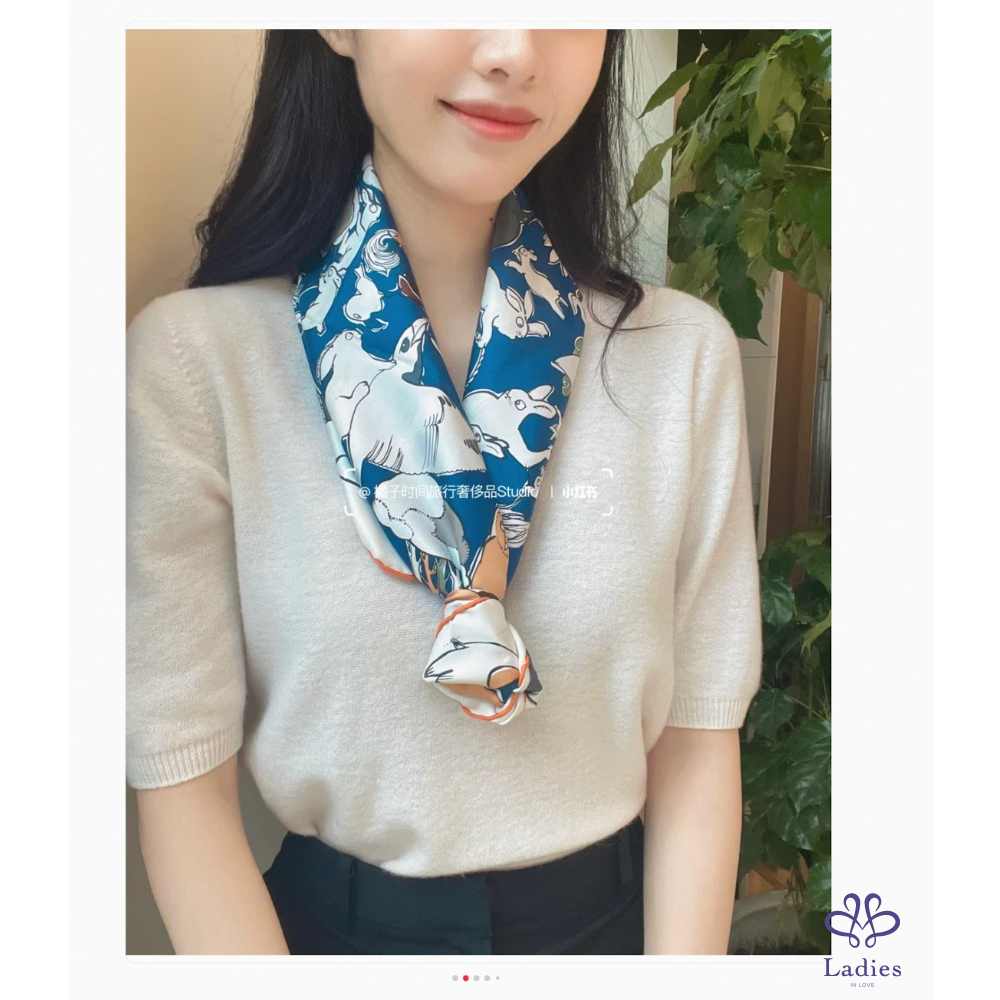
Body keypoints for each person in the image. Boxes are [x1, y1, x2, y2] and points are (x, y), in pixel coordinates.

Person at [126, 28, 763, 956]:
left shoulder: (679, 359)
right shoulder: (199, 363)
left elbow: (699, 741)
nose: (515, 51)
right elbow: (181, 781)